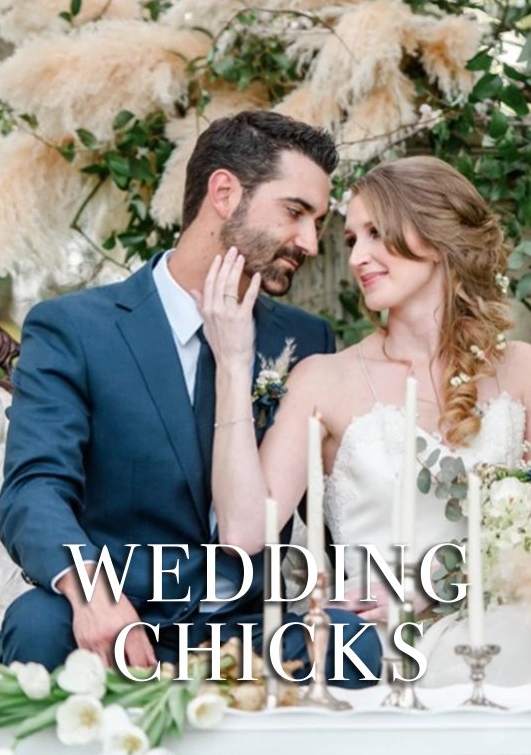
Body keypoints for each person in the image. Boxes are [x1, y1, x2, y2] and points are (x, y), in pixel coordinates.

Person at [0, 110, 381, 686]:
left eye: (318, 222)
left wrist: (367, 576)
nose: (309, 241)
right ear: (224, 193)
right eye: (296, 212)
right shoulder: (76, 329)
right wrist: (91, 593)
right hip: (128, 614)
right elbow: (35, 487)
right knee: (39, 624)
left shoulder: (303, 339)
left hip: (257, 623)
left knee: (358, 644)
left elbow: (324, 503)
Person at [201, 155, 531, 686]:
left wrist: (445, 582)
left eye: (376, 233)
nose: (358, 257)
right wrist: (234, 365)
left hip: (503, 624)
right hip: (372, 645)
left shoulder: (519, 369)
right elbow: (243, 532)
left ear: (438, 235)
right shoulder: (323, 379)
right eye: (352, 239)